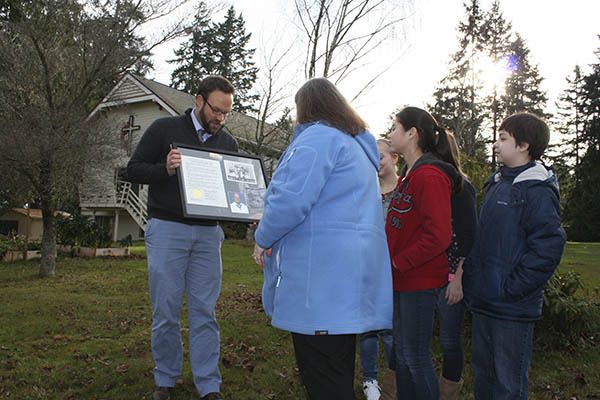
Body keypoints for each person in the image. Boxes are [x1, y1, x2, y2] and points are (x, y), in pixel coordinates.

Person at [253, 77, 392, 399]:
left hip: (320, 284)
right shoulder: (355, 147)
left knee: (323, 379)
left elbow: (290, 200)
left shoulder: (318, 139)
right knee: (337, 371)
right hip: (346, 284)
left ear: (306, 108)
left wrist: (263, 237)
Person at [127, 75, 238, 400]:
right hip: (167, 230)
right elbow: (133, 169)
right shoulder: (164, 129)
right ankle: (166, 380)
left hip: (208, 235)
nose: (220, 118)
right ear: (199, 100)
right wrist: (165, 169)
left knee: (205, 311)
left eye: (226, 113)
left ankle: (209, 385)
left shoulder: (228, 144)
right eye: (216, 110)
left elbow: (235, 191)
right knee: (166, 311)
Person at [463, 112, 566, 399]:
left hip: (512, 308)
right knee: (483, 379)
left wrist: (512, 288)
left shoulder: (537, 190)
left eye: (503, 138)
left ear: (523, 145)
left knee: (508, 387)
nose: (496, 144)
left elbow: (548, 247)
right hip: (485, 302)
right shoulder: (496, 183)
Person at [385, 106, 463, 400]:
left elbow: (438, 235)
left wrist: (398, 261)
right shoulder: (410, 175)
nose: (391, 133)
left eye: (395, 127)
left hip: (417, 281)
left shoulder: (430, 176)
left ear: (412, 133)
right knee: (403, 355)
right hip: (400, 280)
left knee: (415, 356)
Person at [435, 132, 477, 400]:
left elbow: (470, 236)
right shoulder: (422, 181)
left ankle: (449, 391)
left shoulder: (461, 188)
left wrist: (459, 278)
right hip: (426, 274)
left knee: (449, 338)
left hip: (452, 275)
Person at [359, 139, 397, 400]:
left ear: (395, 158)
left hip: (396, 271)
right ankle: (369, 379)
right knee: (367, 328)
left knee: (392, 330)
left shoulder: (405, 190)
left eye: (382, 156)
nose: (377, 161)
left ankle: (396, 377)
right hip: (367, 268)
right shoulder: (366, 191)